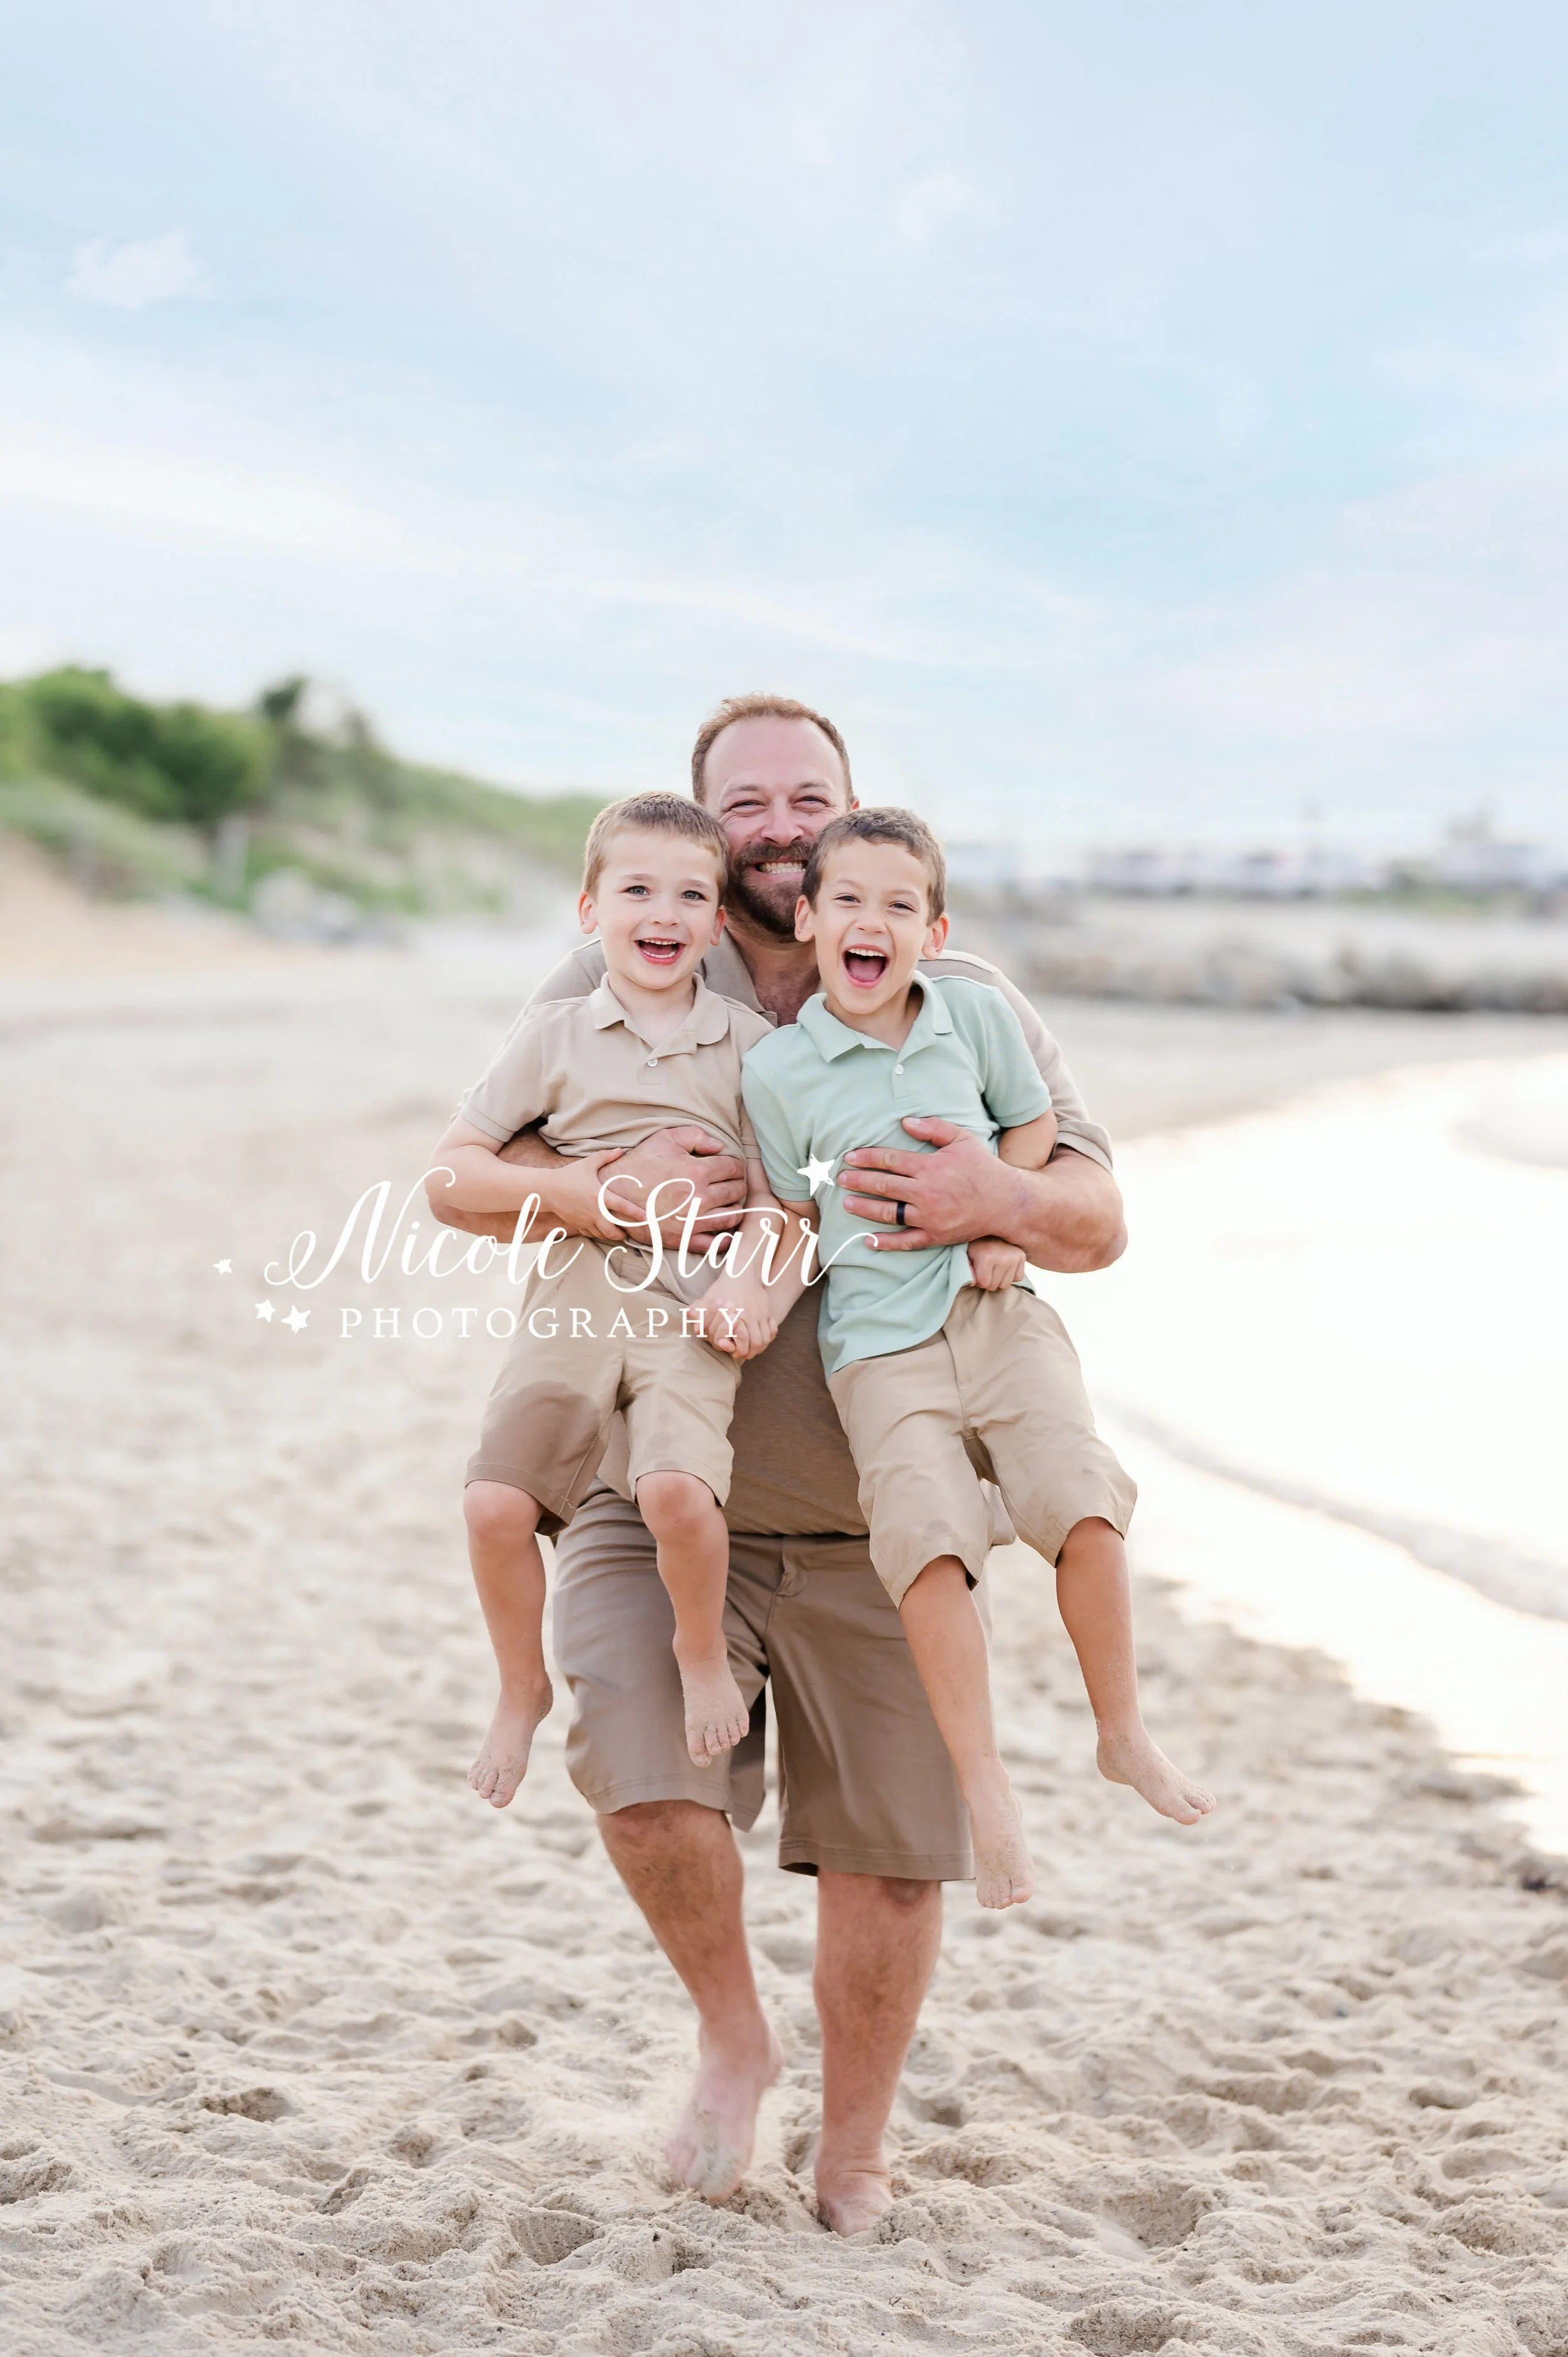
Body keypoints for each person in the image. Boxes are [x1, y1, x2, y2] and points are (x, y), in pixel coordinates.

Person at [426, 693, 1138, 2235]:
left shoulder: (961, 998)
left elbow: (1094, 1216)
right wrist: (595, 1186)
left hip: (884, 1508)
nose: (773, 824)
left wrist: (987, 1200)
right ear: (698, 830)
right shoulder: (627, 959)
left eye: (802, 795)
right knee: (636, 1770)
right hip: (662, 1480)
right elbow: (473, 1172)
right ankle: (735, 2036)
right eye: (740, 802)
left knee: (889, 1861)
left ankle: (857, 2146)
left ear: (850, 814)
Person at [725, 806, 1214, 1912]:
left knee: (1083, 1509)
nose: (872, 922)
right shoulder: (784, 1073)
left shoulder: (977, 1018)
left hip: (999, 1318)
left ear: (934, 933)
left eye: (900, 906)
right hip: (877, 1352)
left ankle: (1122, 1732)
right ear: (808, 920)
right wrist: (743, 1302)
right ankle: (986, 1786)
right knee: (929, 1551)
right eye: (847, 900)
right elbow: (788, 1216)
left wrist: (1001, 1221)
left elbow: (1031, 1130)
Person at [430, 792, 796, 1784]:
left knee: (678, 1490)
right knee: (495, 1508)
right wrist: (582, 1192)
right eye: (636, 889)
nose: (663, 914)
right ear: (590, 911)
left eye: (690, 895)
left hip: (692, 1310)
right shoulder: (554, 1035)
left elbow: (781, 1197)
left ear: (720, 922)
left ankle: (698, 1651)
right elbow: (450, 1175)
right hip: (574, 1299)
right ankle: (520, 1687)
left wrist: (752, 1291)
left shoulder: (753, 1048)